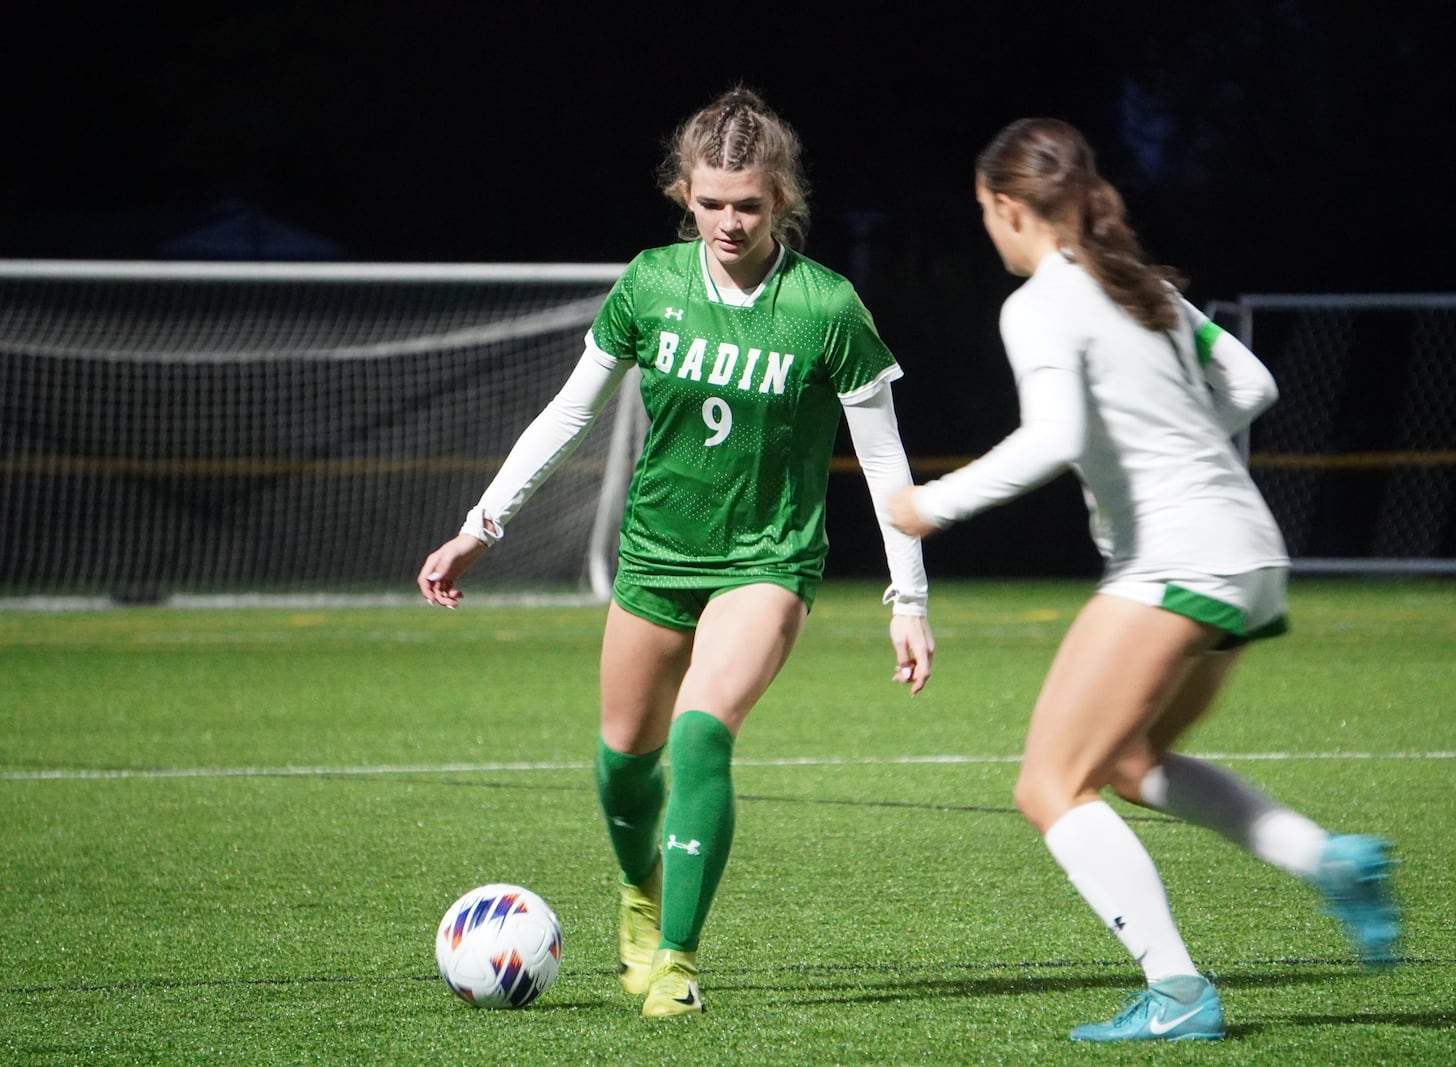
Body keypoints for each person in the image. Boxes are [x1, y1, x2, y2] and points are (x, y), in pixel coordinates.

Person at [417, 87, 935, 1019]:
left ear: (782, 201)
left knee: (701, 731)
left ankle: (679, 961)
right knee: (622, 763)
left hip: (767, 559)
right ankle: (640, 893)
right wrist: (480, 525)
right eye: (711, 202)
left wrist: (909, 600)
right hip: (657, 555)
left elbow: (886, 454)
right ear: (682, 195)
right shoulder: (651, 283)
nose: (729, 222)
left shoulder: (826, 307)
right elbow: (570, 411)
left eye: (749, 204)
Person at [887, 117, 1398, 1043]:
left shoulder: (1042, 301)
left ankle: (1177, 990)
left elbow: (1055, 438)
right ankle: (1329, 861)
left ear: (1010, 207)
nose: (987, 230)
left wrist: (932, 504)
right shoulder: (1142, 288)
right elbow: (1251, 384)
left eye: (984, 214)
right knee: (1130, 762)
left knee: (1049, 783)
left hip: (1176, 558)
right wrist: (1176, 444)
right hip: (1250, 555)